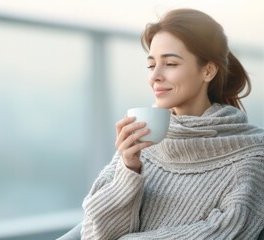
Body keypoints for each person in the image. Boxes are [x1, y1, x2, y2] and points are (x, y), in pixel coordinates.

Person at [57, 8, 264, 240]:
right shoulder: (143, 139)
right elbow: (94, 234)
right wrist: (129, 169)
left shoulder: (250, 156)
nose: (154, 76)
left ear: (208, 70)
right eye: (151, 64)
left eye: (170, 64)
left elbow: (226, 233)